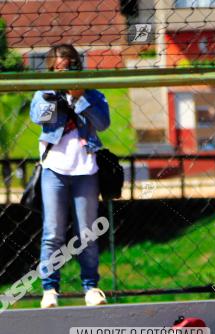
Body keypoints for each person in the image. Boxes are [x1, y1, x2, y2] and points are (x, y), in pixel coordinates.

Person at [30, 44, 111, 308]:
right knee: (53, 231)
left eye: (72, 68)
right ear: (52, 70)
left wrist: (80, 98)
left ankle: (91, 286)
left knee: (86, 232)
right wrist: (59, 94)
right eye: (61, 70)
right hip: (54, 169)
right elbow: (40, 118)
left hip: (85, 169)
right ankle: (50, 289)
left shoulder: (93, 93)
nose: (67, 73)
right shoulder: (45, 93)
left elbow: (102, 123)